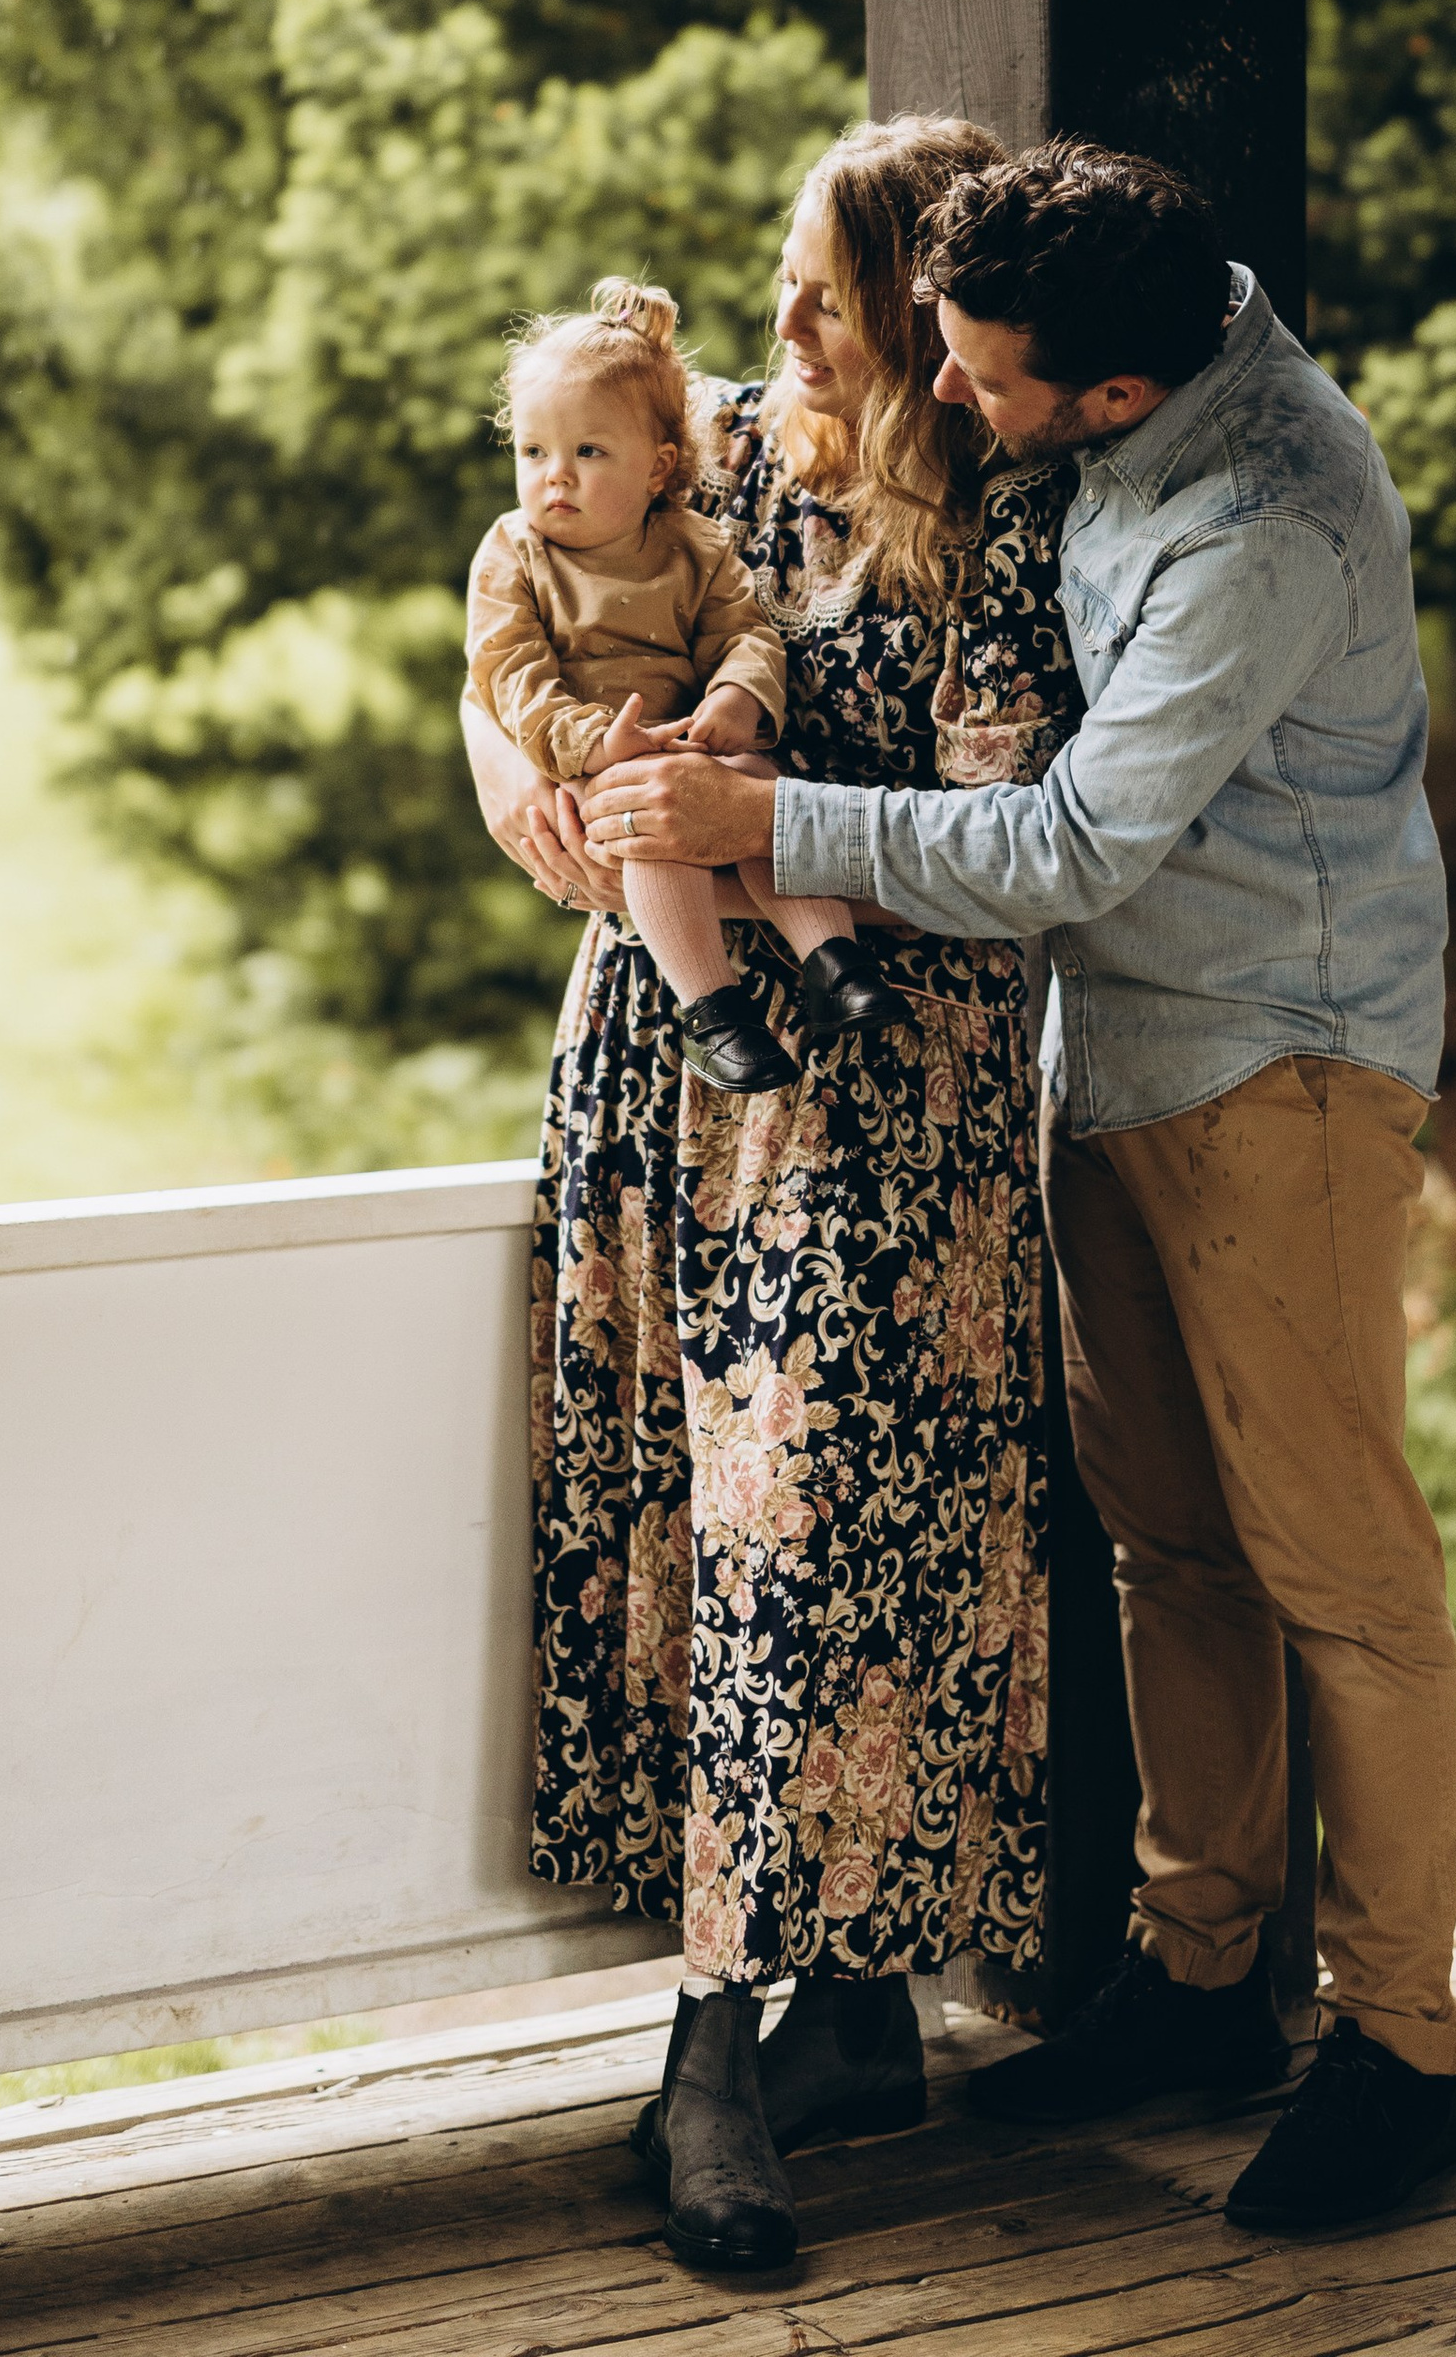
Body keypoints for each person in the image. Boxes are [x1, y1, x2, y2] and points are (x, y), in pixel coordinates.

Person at [581, 140, 1456, 2239]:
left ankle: (1401, 2053)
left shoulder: (1261, 527)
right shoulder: (1133, 315)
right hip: (1108, 1056)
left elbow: (1067, 850)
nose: (947, 396)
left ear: (1110, 405)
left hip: (1280, 1068)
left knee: (1336, 1564)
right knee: (1172, 1541)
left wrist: (747, 810)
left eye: (980, 378)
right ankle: (1193, 1978)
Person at [463, 116, 1083, 2276]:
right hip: (662, 1050)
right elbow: (507, 586)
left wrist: (751, 803)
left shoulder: (1008, 531)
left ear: (924, 314)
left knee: (811, 1524)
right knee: (676, 1517)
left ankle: (714, 2054)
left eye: (821, 288)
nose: (782, 322)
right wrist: (521, 787)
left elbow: (1017, 849)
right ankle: (834, 2020)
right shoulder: (719, 449)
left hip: (883, 1086)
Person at [465, 275, 913, 1094]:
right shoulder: (513, 554)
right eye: (534, 452)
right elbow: (509, 673)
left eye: (587, 453)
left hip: (691, 746)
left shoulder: (695, 544)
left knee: (766, 798)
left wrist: (736, 701)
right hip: (599, 764)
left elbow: (745, 635)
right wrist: (593, 743)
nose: (553, 477)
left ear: (658, 466)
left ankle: (832, 961)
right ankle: (711, 1011)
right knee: (655, 830)